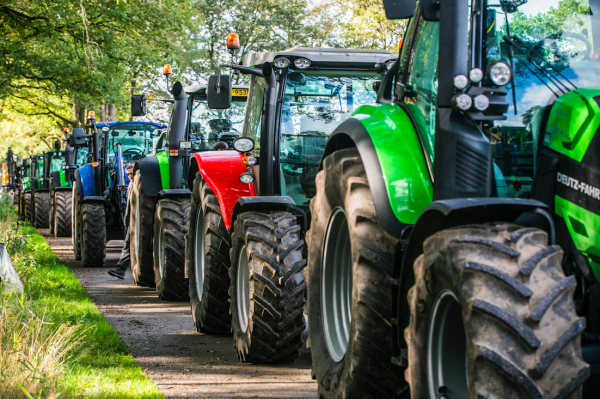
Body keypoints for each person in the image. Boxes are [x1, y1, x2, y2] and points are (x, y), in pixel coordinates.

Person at [108, 164, 134, 279]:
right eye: (128, 174)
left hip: (135, 222)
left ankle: (120, 269)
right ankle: (120, 270)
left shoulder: (138, 186)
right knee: (128, 246)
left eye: (132, 173)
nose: (130, 176)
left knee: (127, 246)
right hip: (131, 222)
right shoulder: (130, 186)